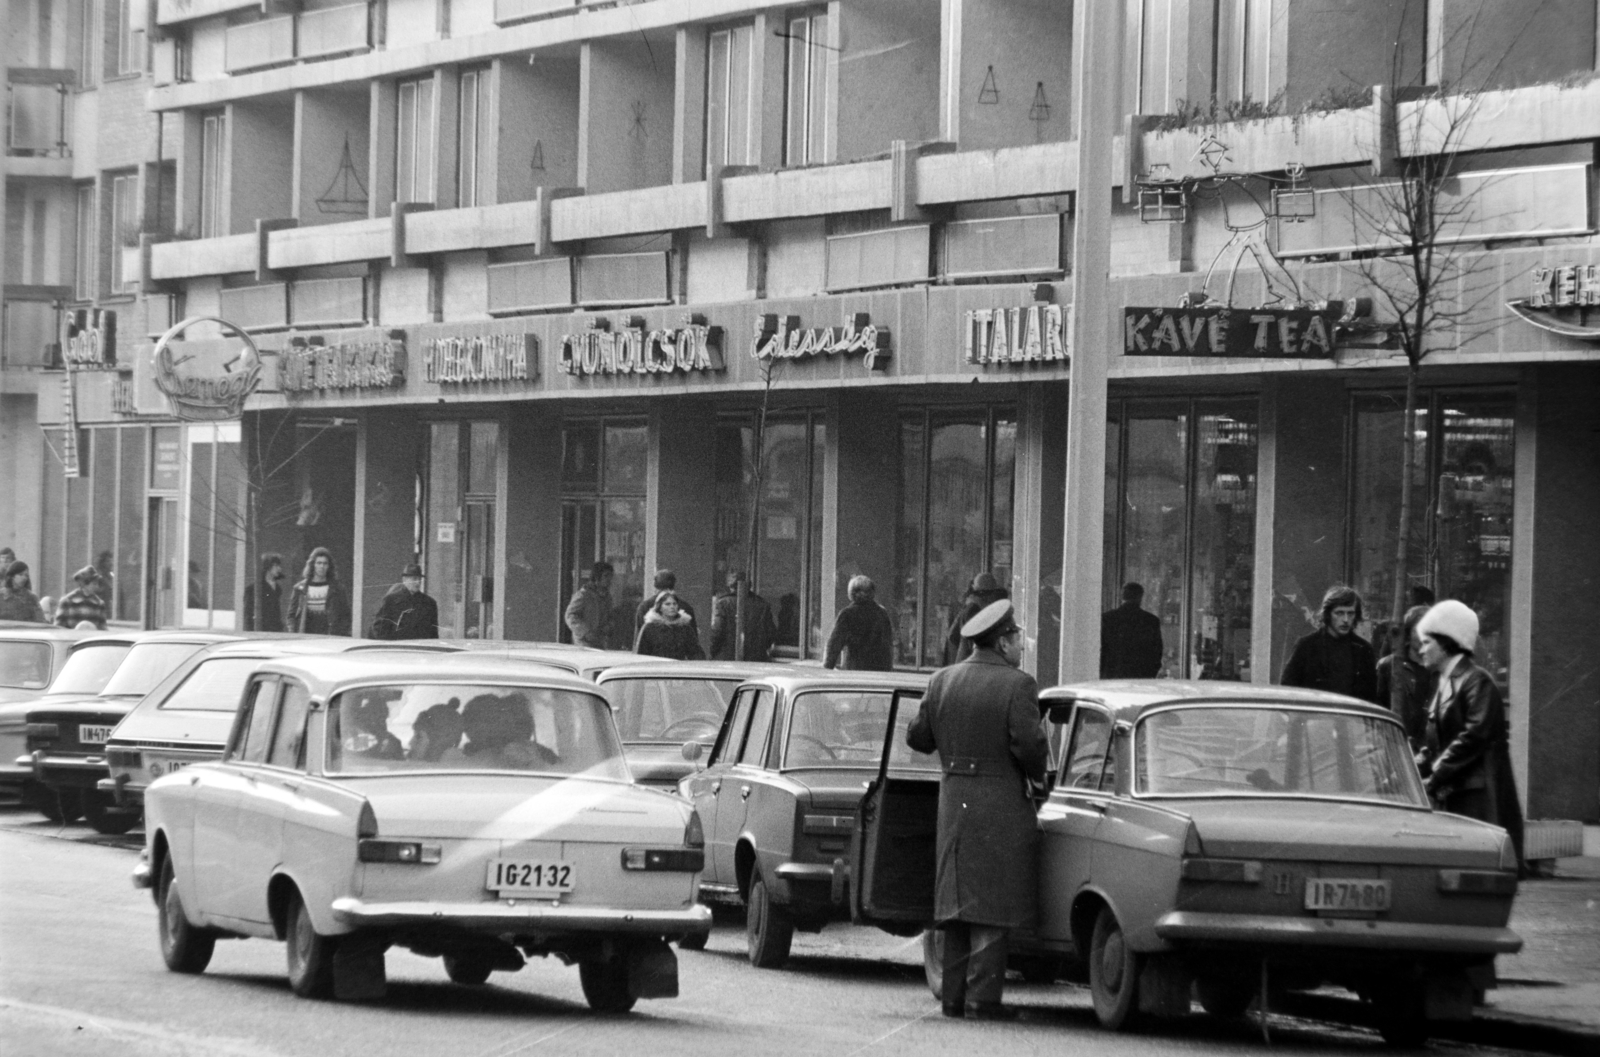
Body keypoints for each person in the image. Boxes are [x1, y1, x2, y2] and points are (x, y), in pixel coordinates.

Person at [906, 599, 1049, 1021]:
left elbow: (918, 738)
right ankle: (982, 998)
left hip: (953, 801)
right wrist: (1037, 776)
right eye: (1018, 637)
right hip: (1000, 801)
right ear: (1002, 642)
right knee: (993, 901)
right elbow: (1031, 747)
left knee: (955, 901)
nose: (1022, 645)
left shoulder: (941, 680)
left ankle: (952, 998)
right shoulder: (1019, 685)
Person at [1414, 600, 1525, 868]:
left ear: (1446, 642)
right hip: (1460, 795)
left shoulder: (1477, 681)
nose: (1421, 649)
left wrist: (1435, 776)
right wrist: (1411, 767)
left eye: (1427, 642)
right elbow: (1439, 742)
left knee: (1477, 871)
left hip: (1478, 798)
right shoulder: (1448, 682)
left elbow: (1473, 736)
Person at [1280, 584, 1379, 703]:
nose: (1346, 620)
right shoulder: (1307, 646)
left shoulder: (1364, 650)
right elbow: (1288, 689)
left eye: (1350, 613)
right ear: (1328, 613)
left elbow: (1370, 698)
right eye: (1339, 613)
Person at [1376, 604, 1433, 750]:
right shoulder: (1389, 666)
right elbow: (1378, 709)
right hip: (1396, 746)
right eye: (1418, 630)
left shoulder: (1441, 670)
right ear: (1408, 633)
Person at [823, 574, 895, 671]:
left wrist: (827, 668)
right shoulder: (882, 614)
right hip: (879, 672)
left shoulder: (847, 614)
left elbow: (834, 645)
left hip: (855, 671)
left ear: (851, 593)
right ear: (872, 593)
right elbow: (888, 645)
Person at [1099, 582, 1164, 678]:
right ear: (1140, 597)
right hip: (1141, 675)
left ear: (1122, 596)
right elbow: (1156, 651)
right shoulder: (1150, 621)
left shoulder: (1107, 618)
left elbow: (1102, 648)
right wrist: (1151, 672)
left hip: (1112, 674)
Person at [709, 570, 777, 661]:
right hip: (756, 658)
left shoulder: (723, 603)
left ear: (731, 586)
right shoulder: (762, 604)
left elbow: (717, 631)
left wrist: (713, 652)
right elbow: (770, 633)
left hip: (727, 657)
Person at [943, 572, 1009, 665]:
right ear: (987, 594)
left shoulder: (971, 606)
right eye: (993, 593)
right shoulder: (973, 610)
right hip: (969, 663)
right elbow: (970, 642)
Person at [287, 547, 352, 636]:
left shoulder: (337, 589)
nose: (322, 566)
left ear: (329, 566)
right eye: (319, 563)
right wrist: (293, 632)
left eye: (325, 563)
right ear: (313, 565)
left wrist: (341, 633)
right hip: (305, 638)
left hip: (330, 637)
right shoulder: (300, 588)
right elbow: (291, 615)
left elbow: (346, 615)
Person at [369, 563, 440, 640]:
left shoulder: (429, 603)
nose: (418, 582)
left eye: (419, 579)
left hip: (420, 649)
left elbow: (433, 634)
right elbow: (379, 629)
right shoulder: (391, 600)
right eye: (414, 579)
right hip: (398, 649)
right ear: (404, 580)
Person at [635, 591, 705, 660]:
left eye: (674, 604)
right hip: (656, 668)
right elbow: (642, 654)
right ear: (660, 607)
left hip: (679, 668)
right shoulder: (649, 628)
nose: (672, 607)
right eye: (667, 604)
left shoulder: (685, 628)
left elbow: (695, 652)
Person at [633, 569, 698, 637]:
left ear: (655, 585)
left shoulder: (644, 607)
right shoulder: (686, 607)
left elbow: (639, 638)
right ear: (674, 584)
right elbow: (694, 640)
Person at [564, 562, 614, 648]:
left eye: (611, 576)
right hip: (583, 644)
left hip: (600, 642)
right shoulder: (584, 595)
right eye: (606, 576)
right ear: (597, 577)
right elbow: (570, 615)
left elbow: (610, 616)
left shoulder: (607, 597)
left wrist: (609, 626)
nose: (609, 580)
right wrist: (585, 632)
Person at [242, 553, 286, 632]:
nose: (279, 569)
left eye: (279, 566)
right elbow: (248, 616)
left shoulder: (278, 589)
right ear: (267, 567)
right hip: (260, 632)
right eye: (275, 566)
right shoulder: (253, 589)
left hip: (275, 633)